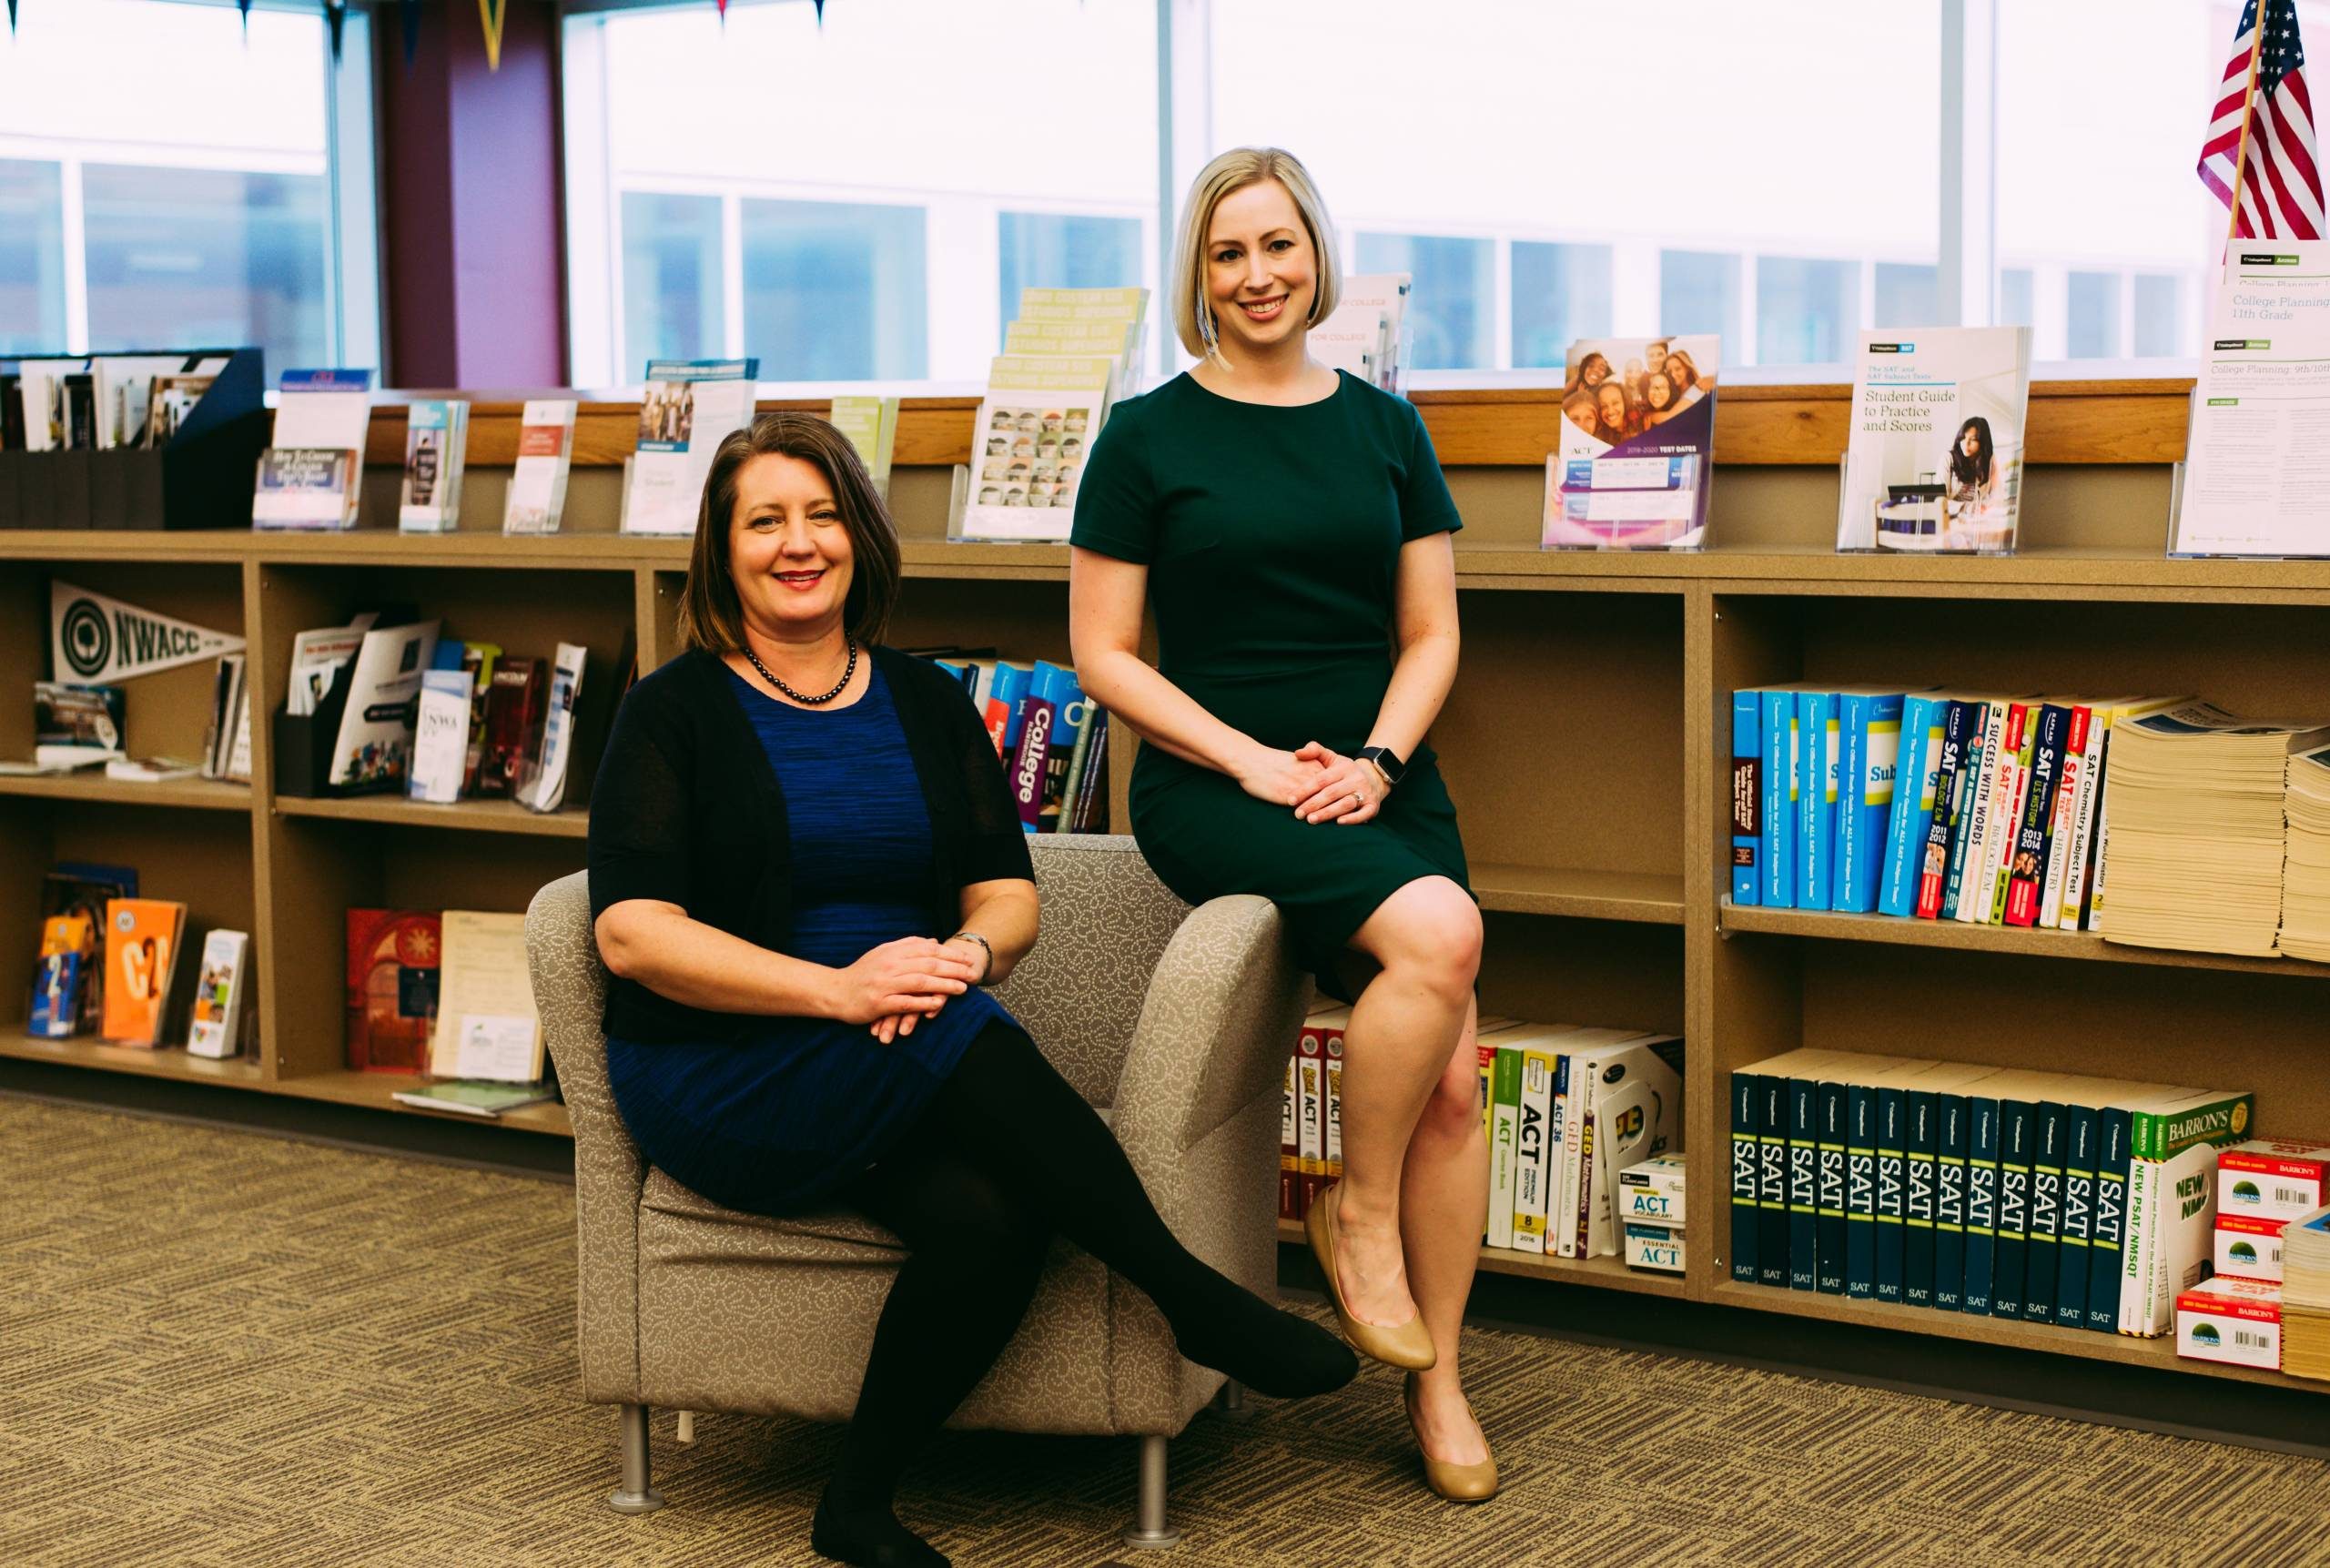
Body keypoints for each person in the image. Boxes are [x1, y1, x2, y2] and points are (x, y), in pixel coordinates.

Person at [588, 412, 1355, 1568]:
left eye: (822, 514)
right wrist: (835, 991)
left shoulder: (929, 701)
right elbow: (634, 936)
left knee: (990, 1222)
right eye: (764, 521)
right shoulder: (673, 710)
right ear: (721, 547)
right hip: (722, 1060)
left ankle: (853, 1505)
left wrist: (964, 958)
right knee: (952, 1033)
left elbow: (1009, 897)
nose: (798, 543)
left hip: (900, 1027)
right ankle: (1188, 1292)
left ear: (859, 536)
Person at [1068, 146, 1496, 1505]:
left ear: (1318, 255)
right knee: (1441, 929)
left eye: (1279, 246)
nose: (1257, 275)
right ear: (1199, 274)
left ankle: (1437, 1375)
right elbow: (1104, 656)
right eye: (1227, 253)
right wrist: (1256, 763)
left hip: (1373, 779)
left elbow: (1429, 634)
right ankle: (1353, 1210)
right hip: (1219, 781)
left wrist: (1373, 760)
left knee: (1455, 1082)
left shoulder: (1385, 427)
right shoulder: (1145, 435)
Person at [1945, 415, 1995, 506]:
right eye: (1963, 438)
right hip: (1951, 517)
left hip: (1976, 518)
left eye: (1973, 439)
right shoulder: (1948, 458)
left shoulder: (1988, 462)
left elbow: (1992, 496)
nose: (1966, 443)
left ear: (1983, 443)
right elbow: (1940, 499)